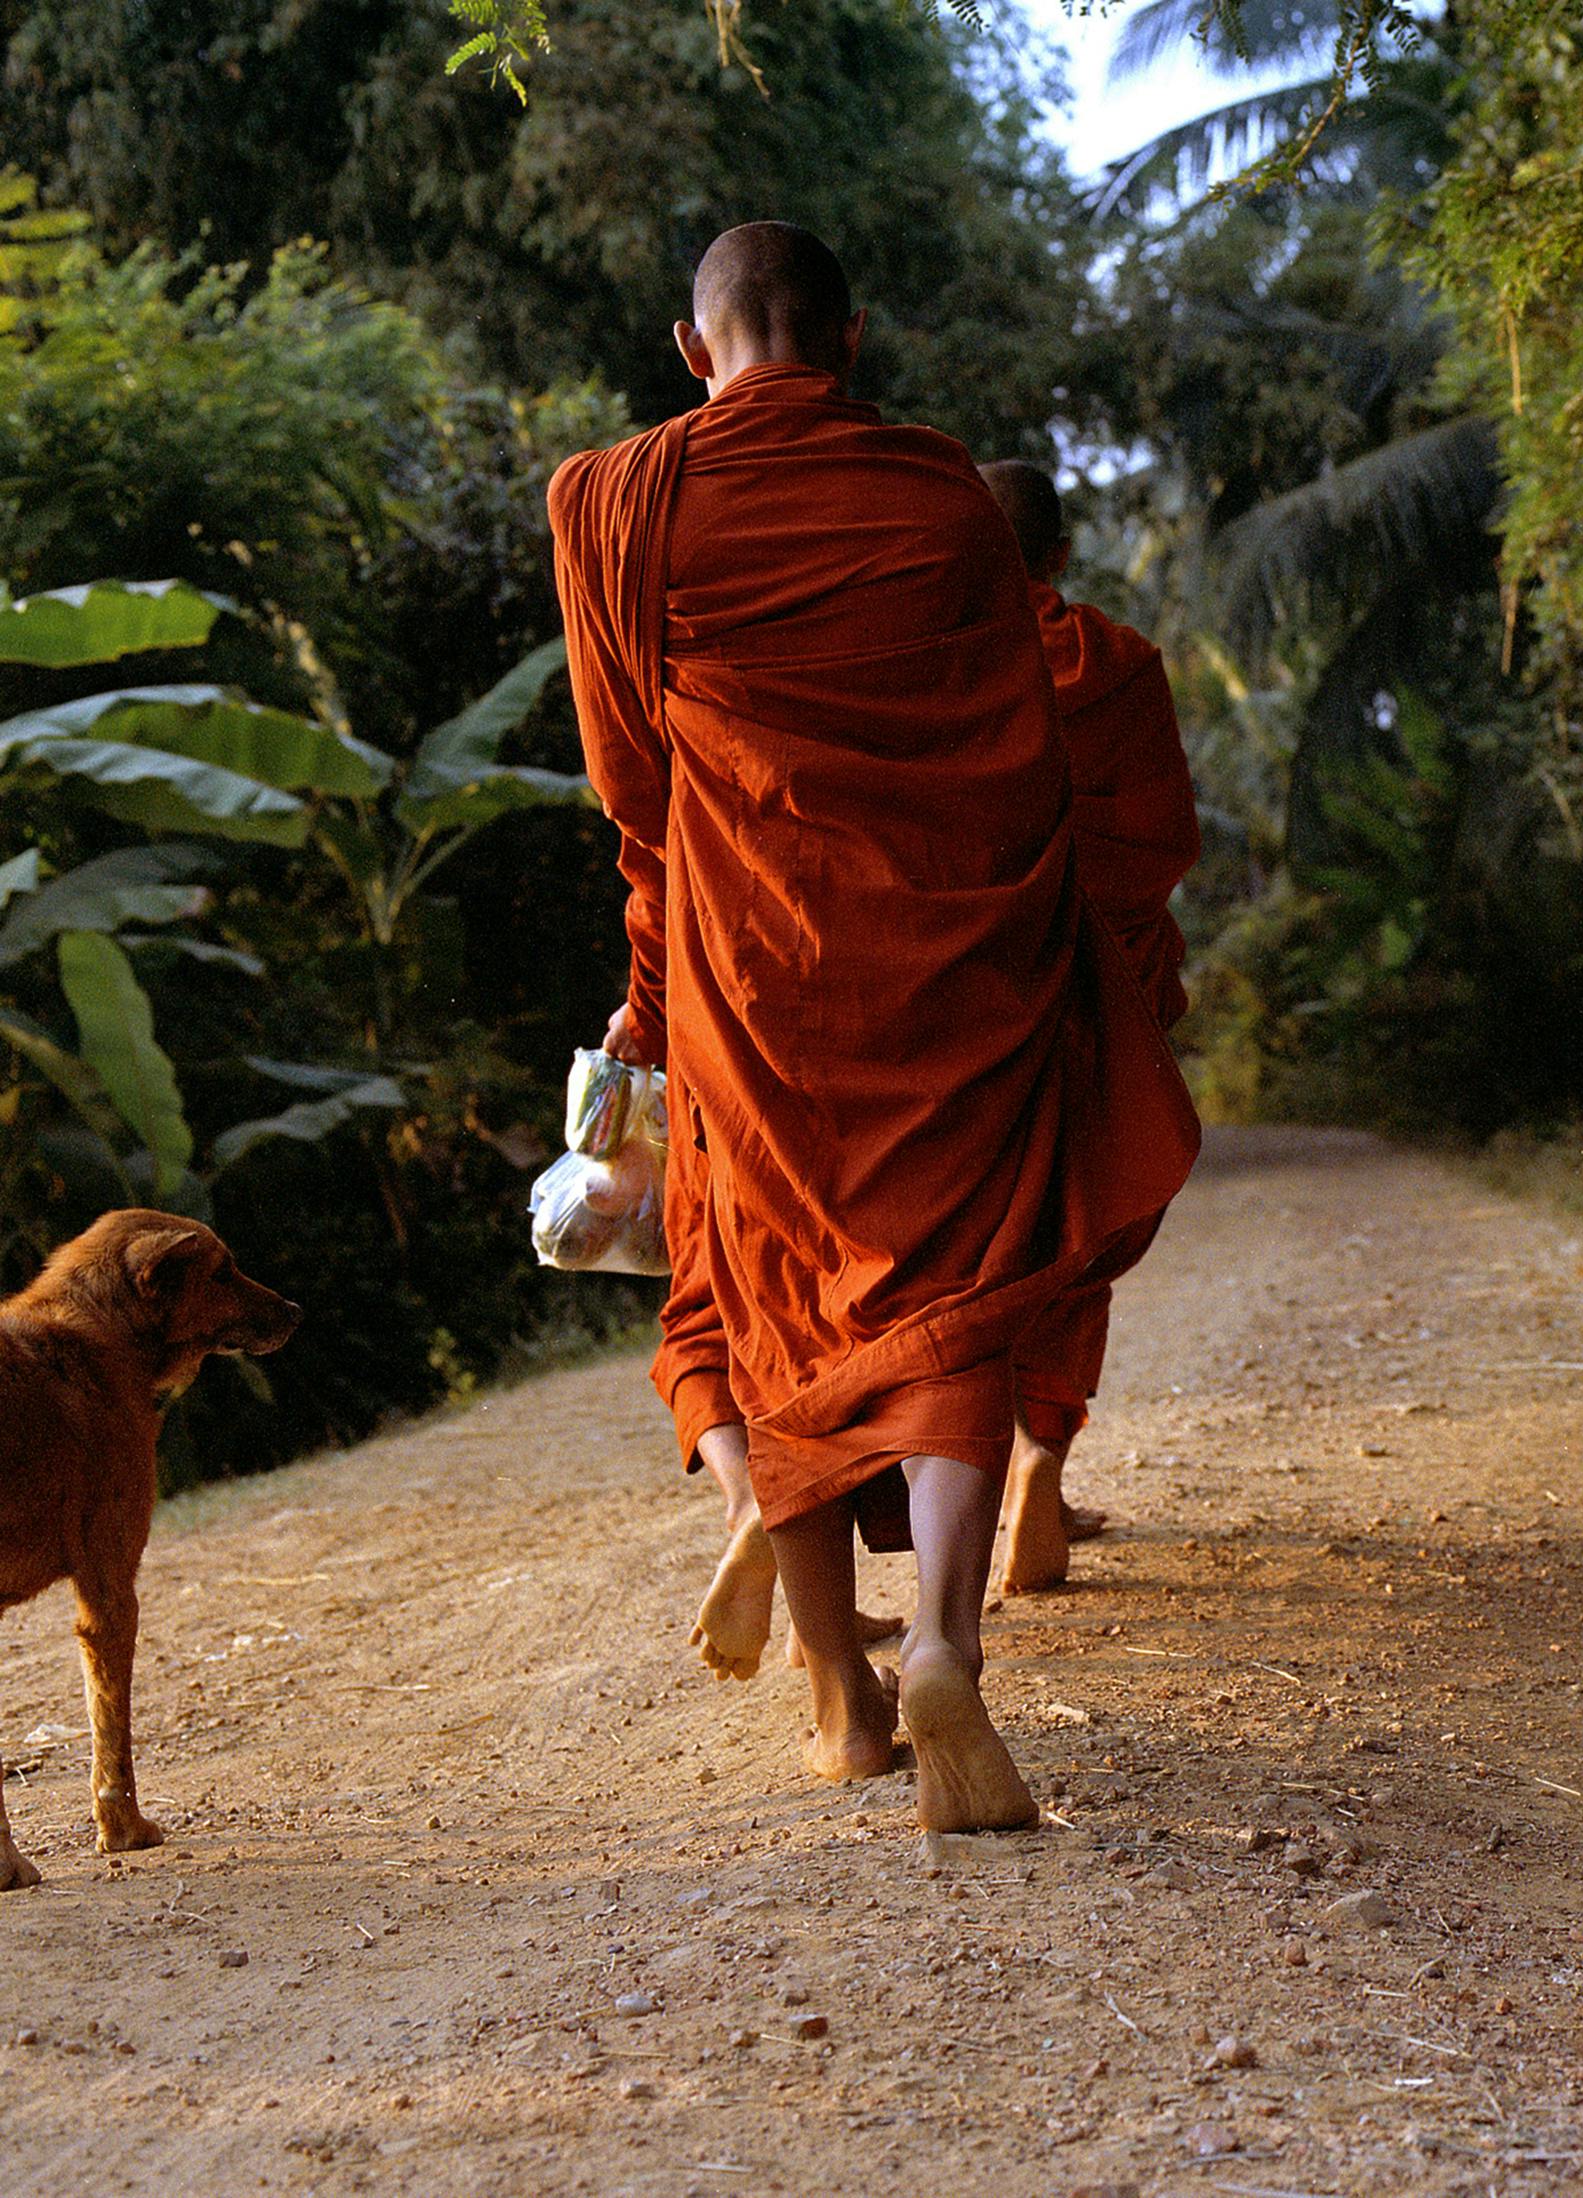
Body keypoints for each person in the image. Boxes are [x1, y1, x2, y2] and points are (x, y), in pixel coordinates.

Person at [550, 221, 1200, 1831]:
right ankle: (946, 1646)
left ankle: (839, 1696)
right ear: (856, 335)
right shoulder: (941, 496)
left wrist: (653, 989)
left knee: (769, 1296)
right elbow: (1016, 770)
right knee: (959, 1291)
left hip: (754, 982)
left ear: (692, 349)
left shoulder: (612, 504)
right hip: (950, 972)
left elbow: (638, 803)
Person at [974, 458, 1202, 1597]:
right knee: (1085, 1221)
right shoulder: (1117, 665)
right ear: (1059, 555)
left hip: (972, 995)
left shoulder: (928, 669)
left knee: (978, 1234)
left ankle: (977, 1481)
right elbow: (1164, 842)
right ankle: (1040, 1464)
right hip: (1102, 984)